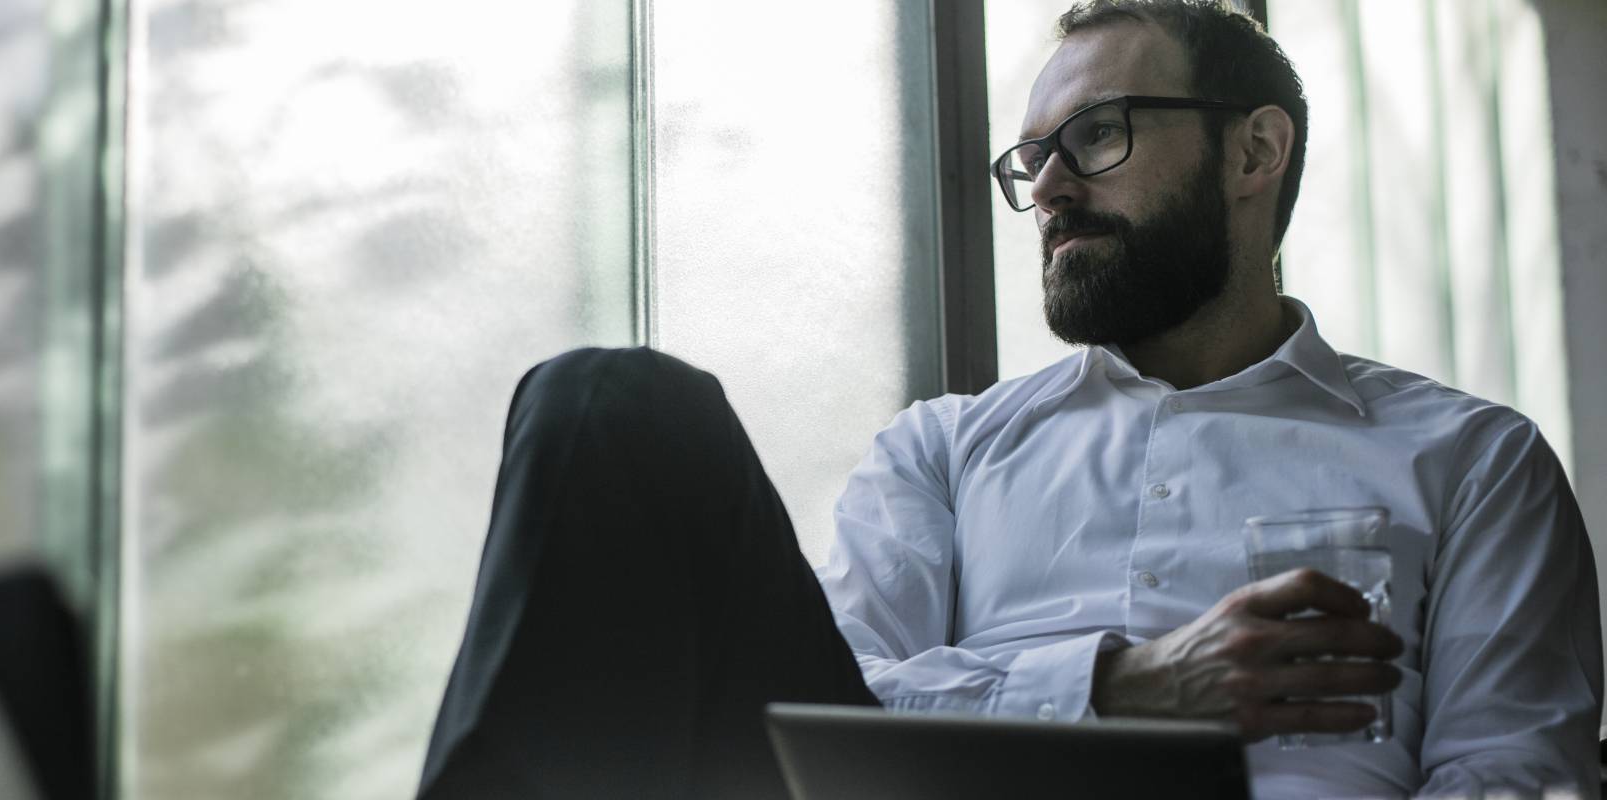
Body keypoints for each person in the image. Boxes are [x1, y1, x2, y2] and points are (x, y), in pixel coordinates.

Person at [418, 1, 1602, 797]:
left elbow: (1514, 776)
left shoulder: (1472, 461)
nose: (1047, 187)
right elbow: (829, 705)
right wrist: (1124, 683)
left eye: (1096, 136)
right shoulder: (944, 449)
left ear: (1254, 153)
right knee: (609, 400)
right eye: (1030, 158)